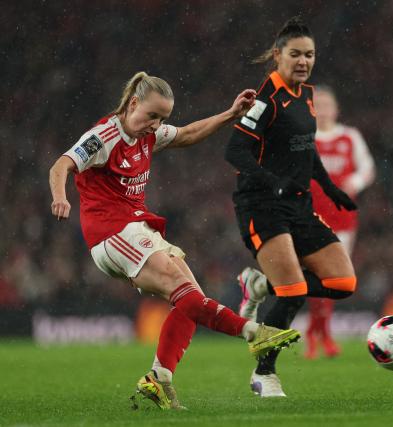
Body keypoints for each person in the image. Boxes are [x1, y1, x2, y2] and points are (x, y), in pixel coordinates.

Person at [48, 71, 301, 410]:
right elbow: (61, 165)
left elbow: (186, 134)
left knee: (190, 298)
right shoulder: (105, 135)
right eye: (152, 115)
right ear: (133, 103)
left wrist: (229, 114)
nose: (156, 124)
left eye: (162, 118)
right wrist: (60, 197)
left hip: (138, 228)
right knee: (185, 292)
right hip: (112, 233)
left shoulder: (148, 134)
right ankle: (254, 333)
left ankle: (159, 378)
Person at [225, 17, 358, 397]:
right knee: (294, 292)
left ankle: (260, 284)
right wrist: (273, 182)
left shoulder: (307, 95)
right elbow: (234, 150)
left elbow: (305, 145)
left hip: (299, 205)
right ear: (278, 56)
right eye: (296, 54)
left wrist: (329, 188)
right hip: (262, 205)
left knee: (343, 282)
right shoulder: (266, 98)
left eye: (310, 55)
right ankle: (263, 374)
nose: (303, 61)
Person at [305, 85, 375, 359]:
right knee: (316, 275)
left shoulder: (350, 136)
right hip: (311, 216)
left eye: (327, 104)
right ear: (311, 109)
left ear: (336, 109)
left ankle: (319, 332)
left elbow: (367, 167)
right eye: (317, 104)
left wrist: (354, 182)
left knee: (335, 278)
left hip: (343, 218)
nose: (322, 110)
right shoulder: (305, 137)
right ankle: (320, 334)